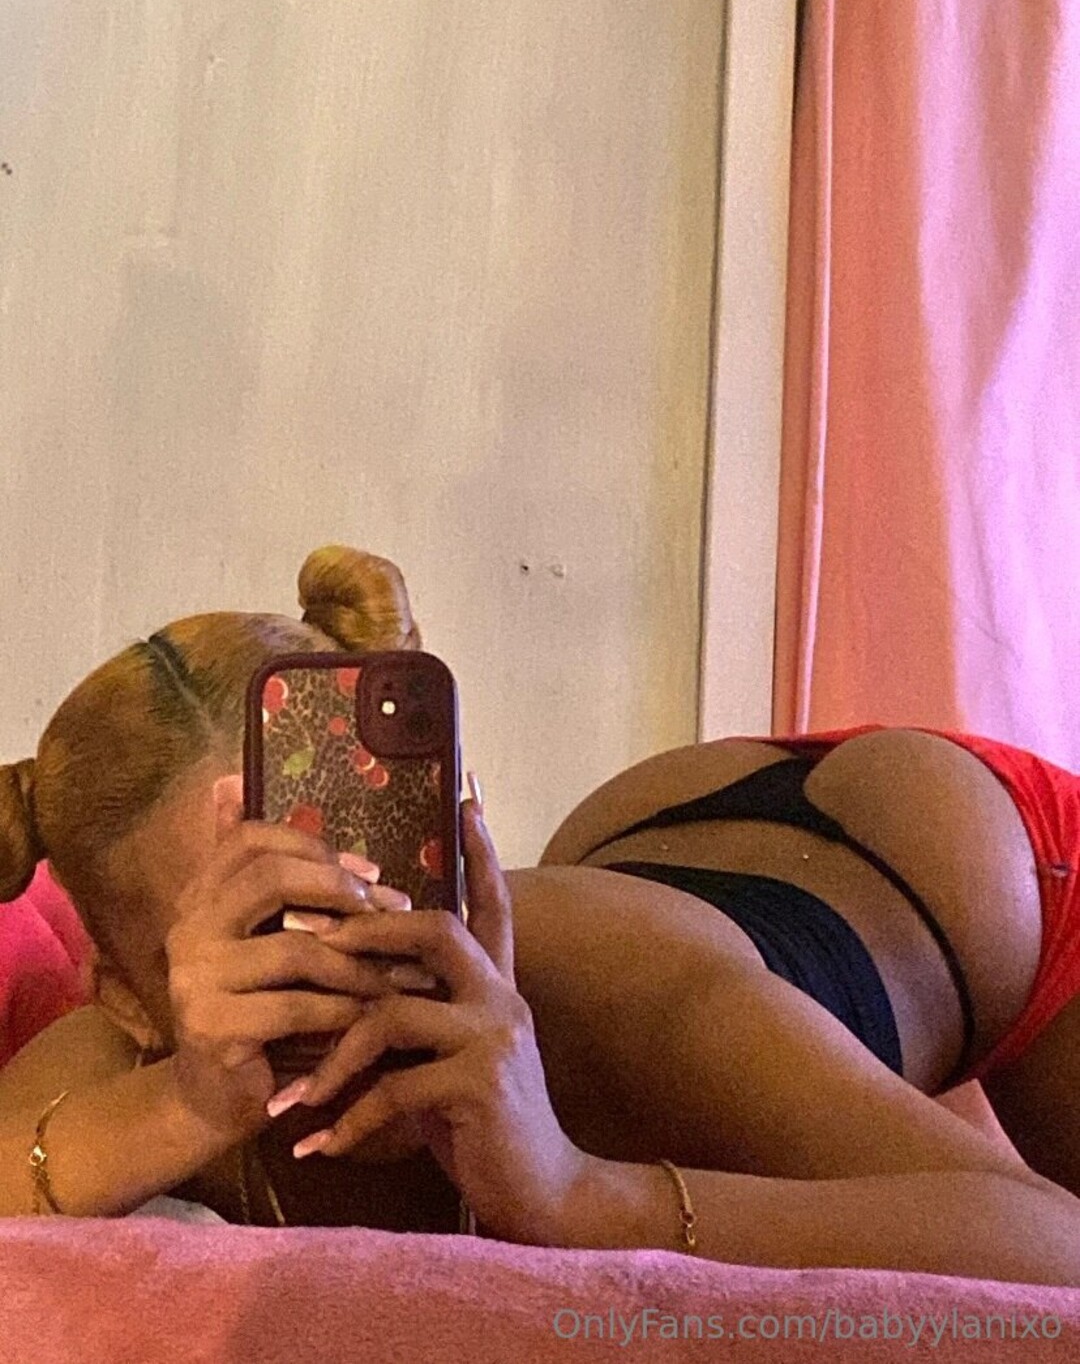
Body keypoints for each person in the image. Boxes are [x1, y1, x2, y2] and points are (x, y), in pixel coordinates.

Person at [1, 546, 1079, 1286]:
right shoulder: (136, 1062)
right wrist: (184, 1108)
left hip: (963, 863)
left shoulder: (608, 987)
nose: (344, 967)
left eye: (365, 883)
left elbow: (1053, 1247)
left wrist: (577, 1192)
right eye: (259, 935)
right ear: (128, 998)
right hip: (660, 841)